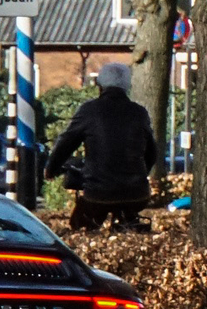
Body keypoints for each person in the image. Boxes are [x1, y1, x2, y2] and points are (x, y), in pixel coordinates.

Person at [46, 63, 160, 231]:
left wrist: (52, 168)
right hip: (137, 193)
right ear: (127, 86)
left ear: (100, 85)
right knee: (128, 212)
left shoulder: (89, 111)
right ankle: (129, 225)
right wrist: (140, 174)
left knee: (81, 225)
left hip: (99, 191)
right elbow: (152, 152)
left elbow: (67, 142)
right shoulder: (139, 112)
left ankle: (87, 233)